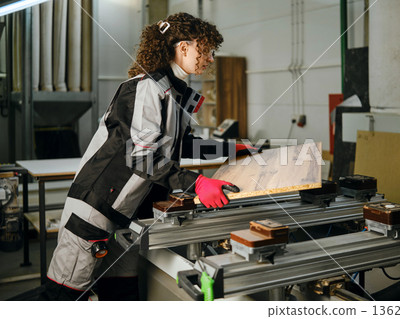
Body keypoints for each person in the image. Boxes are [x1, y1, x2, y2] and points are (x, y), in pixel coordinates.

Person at [42, 12, 256, 301]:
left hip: (125, 213)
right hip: (95, 209)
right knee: (65, 296)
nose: (210, 57)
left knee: (122, 293)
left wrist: (228, 149)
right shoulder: (148, 88)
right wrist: (198, 184)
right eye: (204, 49)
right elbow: (142, 159)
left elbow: (180, 147)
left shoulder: (176, 94)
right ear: (183, 47)